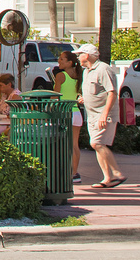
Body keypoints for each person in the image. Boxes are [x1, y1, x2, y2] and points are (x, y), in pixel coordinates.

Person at [77, 43, 125, 188]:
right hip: (92, 115)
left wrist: (104, 114)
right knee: (99, 145)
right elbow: (96, 91)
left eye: (80, 54)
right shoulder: (87, 71)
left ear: (87, 55)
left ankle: (117, 173)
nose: (78, 57)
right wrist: (85, 99)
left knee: (96, 143)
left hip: (103, 114)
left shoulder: (103, 69)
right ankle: (107, 178)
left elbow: (112, 92)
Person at [56, 50, 84, 184]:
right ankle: (74, 173)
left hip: (63, 112)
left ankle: (62, 172)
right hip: (76, 112)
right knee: (74, 145)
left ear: (69, 62)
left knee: (61, 144)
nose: (59, 61)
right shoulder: (79, 76)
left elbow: (54, 96)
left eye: (62, 59)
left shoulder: (61, 76)